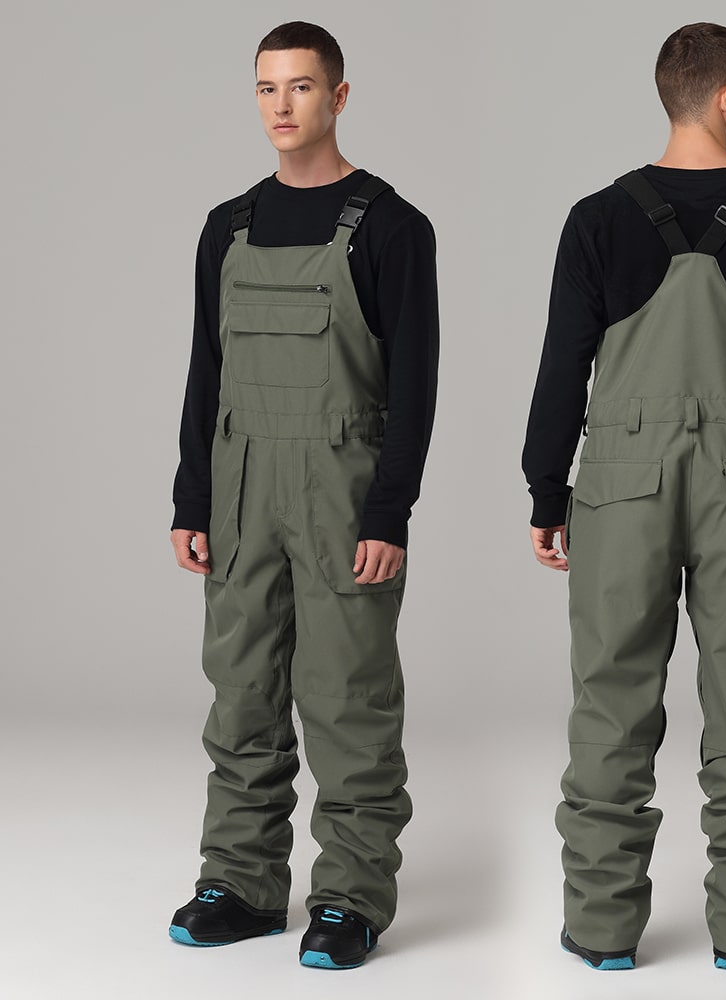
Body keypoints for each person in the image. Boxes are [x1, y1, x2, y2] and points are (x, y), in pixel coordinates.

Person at [522, 22, 726, 973]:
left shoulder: (596, 219)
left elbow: (562, 371)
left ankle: (602, 929)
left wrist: (546, 491)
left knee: (610, 702)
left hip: (620, 487)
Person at [167, 21, 438, 971]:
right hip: (240, 486)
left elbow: (414, 386)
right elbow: (205, 371)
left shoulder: (392, 227)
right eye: (266, 88)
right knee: (241, 687)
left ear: (339, 96)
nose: (281, 106)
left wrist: (389, 510)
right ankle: (239, 883)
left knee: (346, 694)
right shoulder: (227, 226)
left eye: (302, 87)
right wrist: (191, 498)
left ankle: (350, 898)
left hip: (342, 489)